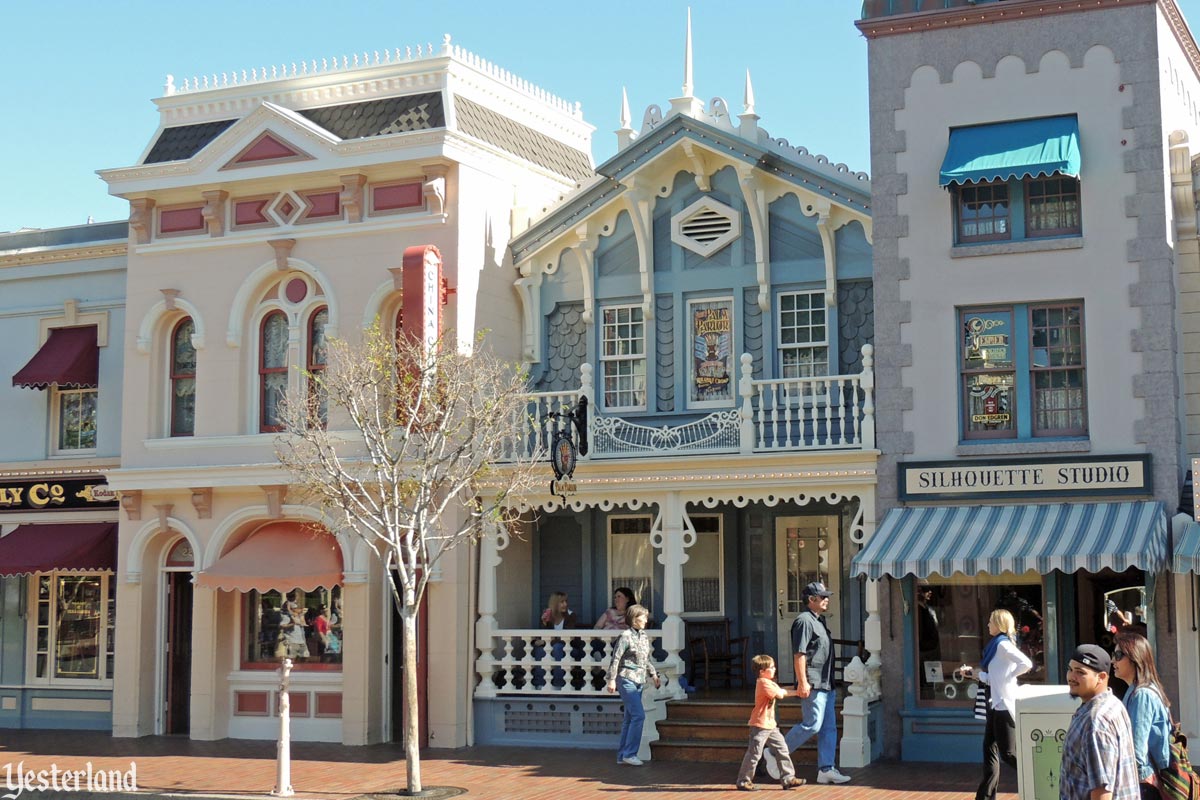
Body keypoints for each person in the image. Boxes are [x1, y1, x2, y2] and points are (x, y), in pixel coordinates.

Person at [782, 581, 852, 785]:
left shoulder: (819, 621)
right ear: (811, 600)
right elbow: (799, 654)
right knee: (812, 724)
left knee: (828, 727)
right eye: (822, 597)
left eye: (826, 596)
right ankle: (776, 753)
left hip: (826, 682)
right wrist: (802, 682)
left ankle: (826, 769)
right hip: (813, 682)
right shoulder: (804, 621)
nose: (826, 599)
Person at [962, 609, 1034, 800]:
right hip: (996, 704)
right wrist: (973, 674)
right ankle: (985, 796)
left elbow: (1026, 663)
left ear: (999, 624)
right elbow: (991, 677)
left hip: (1004, 704)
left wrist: (1009, 677)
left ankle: (1037, 774)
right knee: (989, 748)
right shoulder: (996, 646)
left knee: (1008, 753)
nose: (987, 625)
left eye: (990, 622)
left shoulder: (1002, 645)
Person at [1060, 644, 1140, 800]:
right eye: (1070, 669)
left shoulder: (1096, 721)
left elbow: (1102, 791)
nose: (1071, 677)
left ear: (1101, 677)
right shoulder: (1112, 703)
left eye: (1080, 672)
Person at [1112, 632, 1172, 799]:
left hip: (1144, 783)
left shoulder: (1142, 694)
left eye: (1118, 655)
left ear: (1134, 657)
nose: (1113, 661)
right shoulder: (1135, 691)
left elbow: (1136, 749)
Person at [735, 654, 806, 792]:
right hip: (760, 725)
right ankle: (743, 781)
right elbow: (780, 694)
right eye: (771, 667)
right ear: (762, 671)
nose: (775, 669)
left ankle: (788, 778)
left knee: (782, 749)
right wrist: (797, 692)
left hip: (771, 725)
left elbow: (782, 690)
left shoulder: (770, 682)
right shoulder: (762, 683)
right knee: (754, 754)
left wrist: (798, 689)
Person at [606, 604, 660, 766]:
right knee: (639, 715)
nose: (646, 620)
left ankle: (622, 755)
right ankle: (630, 753)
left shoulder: (643, 636)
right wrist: (611, 679)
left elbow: (646, 658)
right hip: (626, 679)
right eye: (643, 617)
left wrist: (654, 674)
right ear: (634, 619)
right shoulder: (625, 636)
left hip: (639, 680)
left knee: (629, 718)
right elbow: (616, 658)